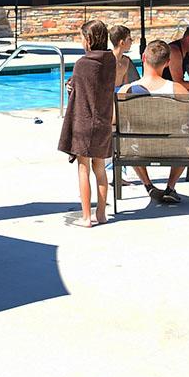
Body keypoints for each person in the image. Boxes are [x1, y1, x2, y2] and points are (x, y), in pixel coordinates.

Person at [117, 40, 189, 203]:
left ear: (143, 58)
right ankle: (170, 187)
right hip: (174, 150)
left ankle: (148, 185)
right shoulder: (178, 89)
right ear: (168, 63)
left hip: (137, 150)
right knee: (187, 138)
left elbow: (114, 120)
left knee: (128, 138)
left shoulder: (127, 90)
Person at [58, 20, 115, 227]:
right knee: (100, 168)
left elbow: (77, 90)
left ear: (89, 39)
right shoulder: (110, 61)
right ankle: (101, 213)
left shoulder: (83, 63)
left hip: (84, 121)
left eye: (82, 37)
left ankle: (86, 217)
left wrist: (70, 86)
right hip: (103, 121)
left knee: (83, 168)